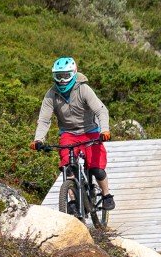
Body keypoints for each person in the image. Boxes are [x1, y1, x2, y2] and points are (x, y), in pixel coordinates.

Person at [31, 56, 115, 211]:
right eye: (58, 76)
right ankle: (73, 200)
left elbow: (101, 110)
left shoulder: (83, 89)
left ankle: (106, 195)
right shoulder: (51, 95)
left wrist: (104, 130)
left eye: (66, 75)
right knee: (67, 168)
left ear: (74, 73)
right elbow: (44, 120)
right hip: (68, 133)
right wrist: (38, 139)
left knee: (97, 168)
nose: (62, 80)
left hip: (90, 132)